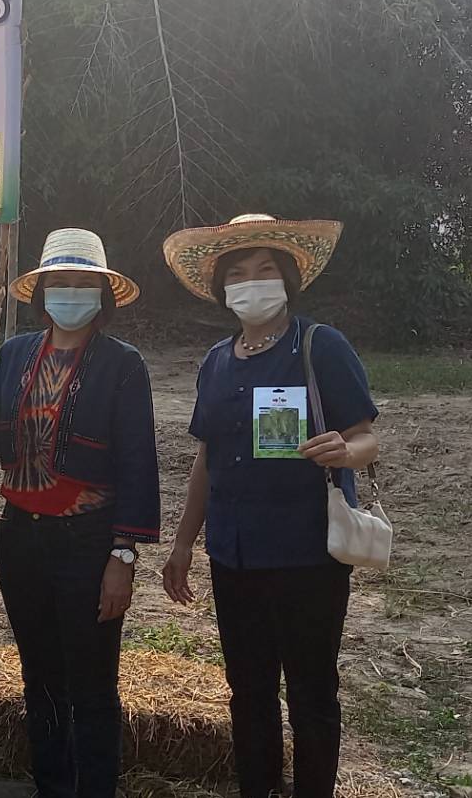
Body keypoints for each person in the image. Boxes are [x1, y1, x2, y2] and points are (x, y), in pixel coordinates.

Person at [159, 214, 380, 798]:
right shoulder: (216, 361)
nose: (250, 283)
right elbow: (206, 458)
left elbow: (368, 436)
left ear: (287, 281)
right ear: (222, 289)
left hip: (308, 553)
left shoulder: (319, 346)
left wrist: (346, 450)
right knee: (248, 691)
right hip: (234, 555)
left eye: (264, 271)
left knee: (311, 693)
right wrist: (183, 543)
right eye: (237, 274)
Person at [0, 229, 158, 798]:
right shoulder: (17, 353)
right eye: (58, 283)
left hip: (88, 542)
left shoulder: (123, 365)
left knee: (92, 683)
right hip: (20, 537)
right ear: (40, 293)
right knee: (38, 677)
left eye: (81, 283)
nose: (69, 292)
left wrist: (123, 553)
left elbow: (138, 462)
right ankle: (52, 786)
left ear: (102, 293)